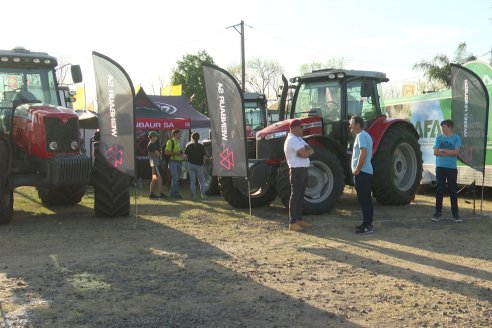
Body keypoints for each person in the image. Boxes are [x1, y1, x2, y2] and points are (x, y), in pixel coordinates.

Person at [283, 119, 314, 232]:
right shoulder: (292, 140)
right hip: (297, 170)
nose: (303, 129)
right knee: (295, 195)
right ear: (294, 128)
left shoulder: (299, 139)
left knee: (300, 195)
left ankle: (299, 219)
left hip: (303, 169)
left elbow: (311, 151)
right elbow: (306, 153)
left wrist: (304, 153)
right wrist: (304, 153)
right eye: (301, 127)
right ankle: (292, 222)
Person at [432, 119, 462, 222]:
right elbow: (436, 152)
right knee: (439, 190)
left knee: (453, 191)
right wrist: (449, 152)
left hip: (451, 168)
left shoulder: (456, 138)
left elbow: (457, 152)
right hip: (440, 167)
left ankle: (455, 214)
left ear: (450, 127)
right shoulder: (439, 138)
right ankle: (437, 213)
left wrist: (444, 151)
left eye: (444, 127)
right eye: (442, 127)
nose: (443, 129)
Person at [350, 115, 374, 234]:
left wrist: (357, 169)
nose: (350, 126)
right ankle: (366, 223)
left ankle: (367, 226)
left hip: (362, 172)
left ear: (358, 125)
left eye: (352, 124)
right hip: (365, 172)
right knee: (365, 199)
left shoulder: (361, 136)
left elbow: (363, 152)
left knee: (364, 199)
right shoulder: (364, 135)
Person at [184, 132, 208, 201]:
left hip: (190, 165)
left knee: (192, 181)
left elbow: (185, 156)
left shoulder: (189, 146)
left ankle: (194, 196)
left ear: (192, 137)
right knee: (201, 181)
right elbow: (204, 157)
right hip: (199, 165)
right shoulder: (201, 146)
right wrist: (208, 159)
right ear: (199, 138)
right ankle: (203, 195)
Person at [164, 129, 186, 199]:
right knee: (175, 178)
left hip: (178, 161)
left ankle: (173, 194)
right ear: (175, 134)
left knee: (176, 179)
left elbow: (176, 152)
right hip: (172, 162)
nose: (180, 135)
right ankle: (175, 194)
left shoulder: (178, 142)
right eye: (179, 134)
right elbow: (166, 152)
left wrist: (180, 153)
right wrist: (177, 153)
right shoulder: (170, 142)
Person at [147, 131, 167, 199]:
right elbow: (158, 154)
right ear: (152, 137)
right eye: (156, 136)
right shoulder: (152, 145)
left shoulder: (151, 144)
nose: (157, 137)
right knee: (160, 178)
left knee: (154, 179)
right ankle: (161, 194)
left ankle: (151, 194)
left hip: (153, 164)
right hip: (156, 164)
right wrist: (160, 152)